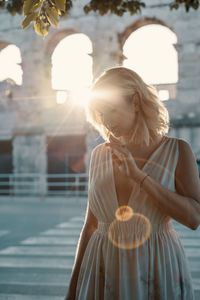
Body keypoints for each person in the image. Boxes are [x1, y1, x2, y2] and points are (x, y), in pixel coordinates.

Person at [65, 66, 200, 300]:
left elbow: (194, 218)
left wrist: (139, 176)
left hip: (157, 265)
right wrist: (72, 289)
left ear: (135, 102)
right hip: (102, 266)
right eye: (100, 114)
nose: (105, 121)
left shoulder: (178, 150)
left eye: (110, 110)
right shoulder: (99, 154)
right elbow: (90, 226)